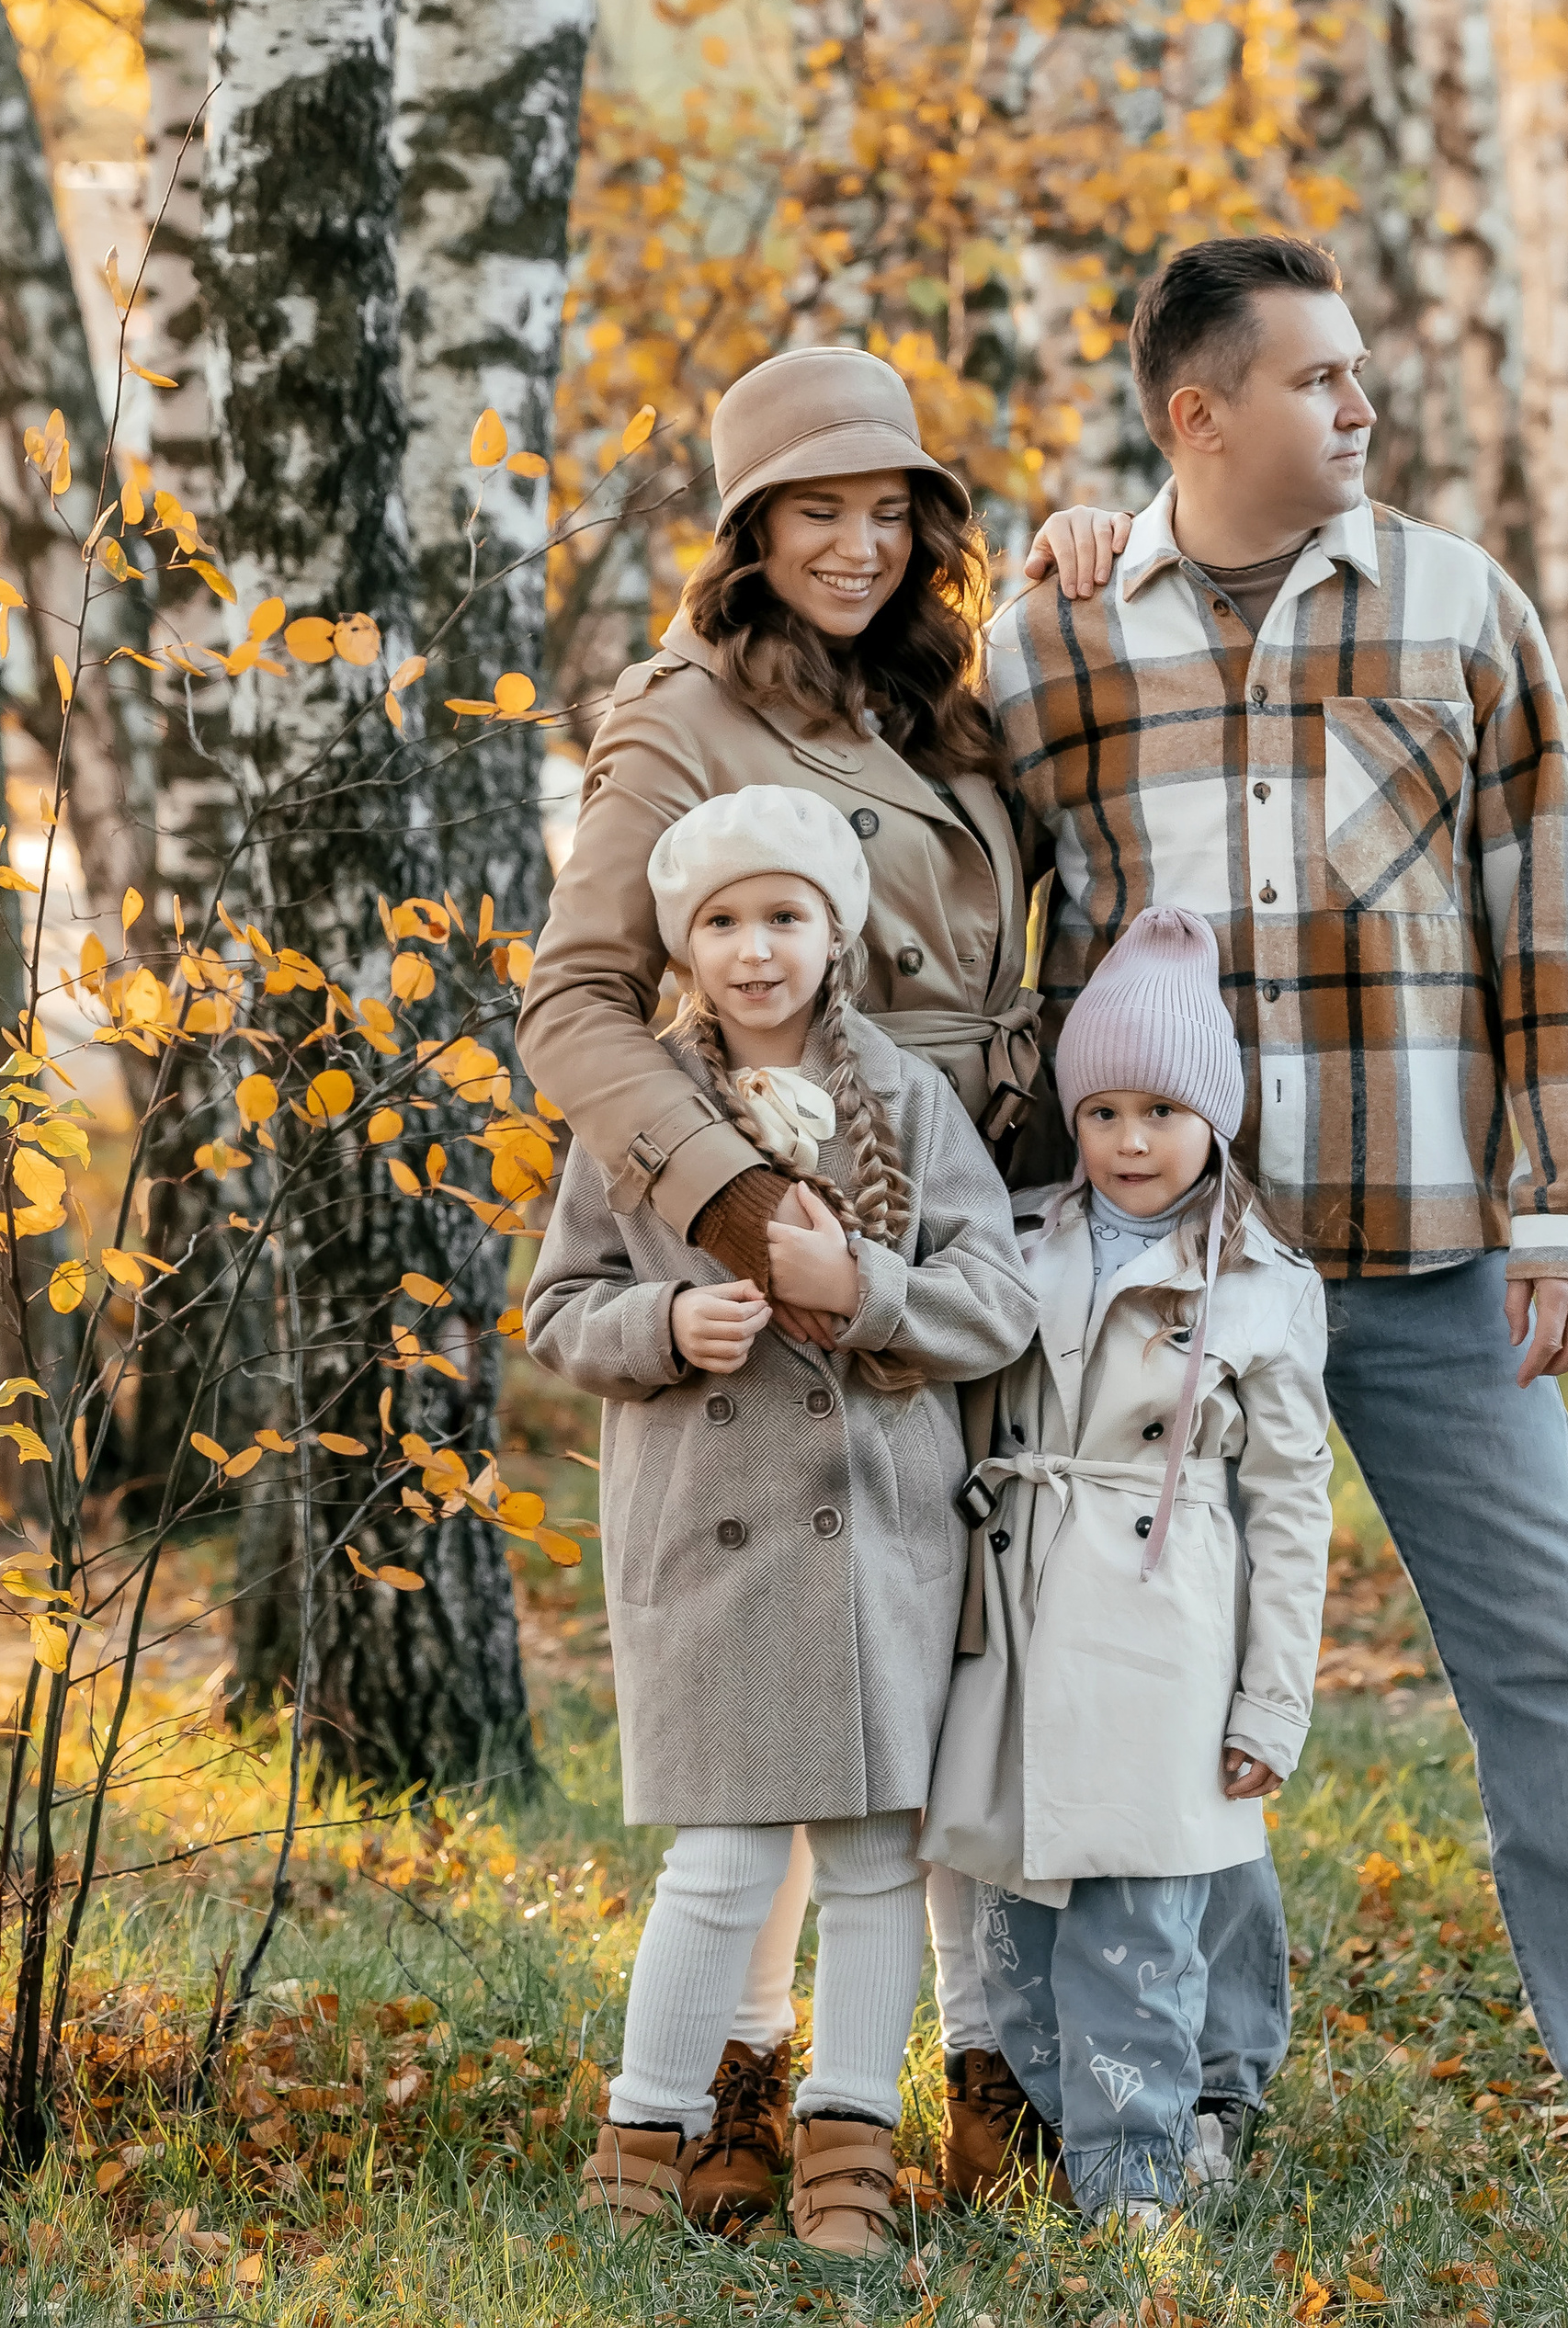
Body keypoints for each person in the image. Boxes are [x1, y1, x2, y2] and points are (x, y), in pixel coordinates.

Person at [996, 233, 1568, 2199]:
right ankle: (1208, 2071)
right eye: (1315, 379)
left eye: (1360, 372)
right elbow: (1003, 953)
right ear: (1193, 416)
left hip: (1435, 1250)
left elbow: (1552, 924)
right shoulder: (1049, 645)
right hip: (1176, 1284)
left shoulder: (1460, 609)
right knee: (1176, 1664)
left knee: (1548, 1659)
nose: (1359, 405)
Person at [517, 345, 1065, 2214]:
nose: (857, 543)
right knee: (777, 1736)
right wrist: (740, 1208)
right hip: (784, 1225)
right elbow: (575, 1004)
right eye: (814, 512)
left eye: (888, 506)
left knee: (923, 1720)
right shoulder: (680, 714)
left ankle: (936, 2091)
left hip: (957, 1211)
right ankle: (722, 2105)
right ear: (748, 536)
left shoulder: (929, 698)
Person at [923, 907, 1332, 2224]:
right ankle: (1066, 2139)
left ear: (1216, 1116)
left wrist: (1271, 1700)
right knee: (1023, 1920)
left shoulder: (1262, 1285)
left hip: (1165, 1628)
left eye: (1163, 1109)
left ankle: (1140, 2174)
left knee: (1142, 1918)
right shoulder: (1017, 1236)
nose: (1132, 1141)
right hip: (1020, 1615)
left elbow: (1289, 1503)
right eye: (1102, 1111)